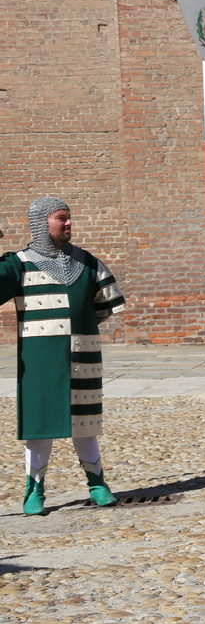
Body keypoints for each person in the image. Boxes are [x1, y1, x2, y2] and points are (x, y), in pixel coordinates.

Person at [0, 197, 126, 516]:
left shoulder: (88, 262)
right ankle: (34, 490)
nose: (68, 223)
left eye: (69, 218)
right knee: (40, 425)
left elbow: (101, 308)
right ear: (43, 223)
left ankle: (97, 484)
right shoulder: (18, 263)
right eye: (61, 218)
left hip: (84, 356)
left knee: (85, 423)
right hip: (40, 361)